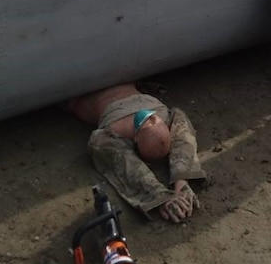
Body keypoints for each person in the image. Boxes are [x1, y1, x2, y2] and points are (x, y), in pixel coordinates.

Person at [68, 83, 206, 222]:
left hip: (116, 91)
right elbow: (123, 162)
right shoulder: (121, 128)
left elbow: (124, 163)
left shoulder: (122, 127)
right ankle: (168, 188)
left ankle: (171, 187)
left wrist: (179, 184)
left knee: (109, 147)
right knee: (108, 147)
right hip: (107, 94)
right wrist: (161, 192)